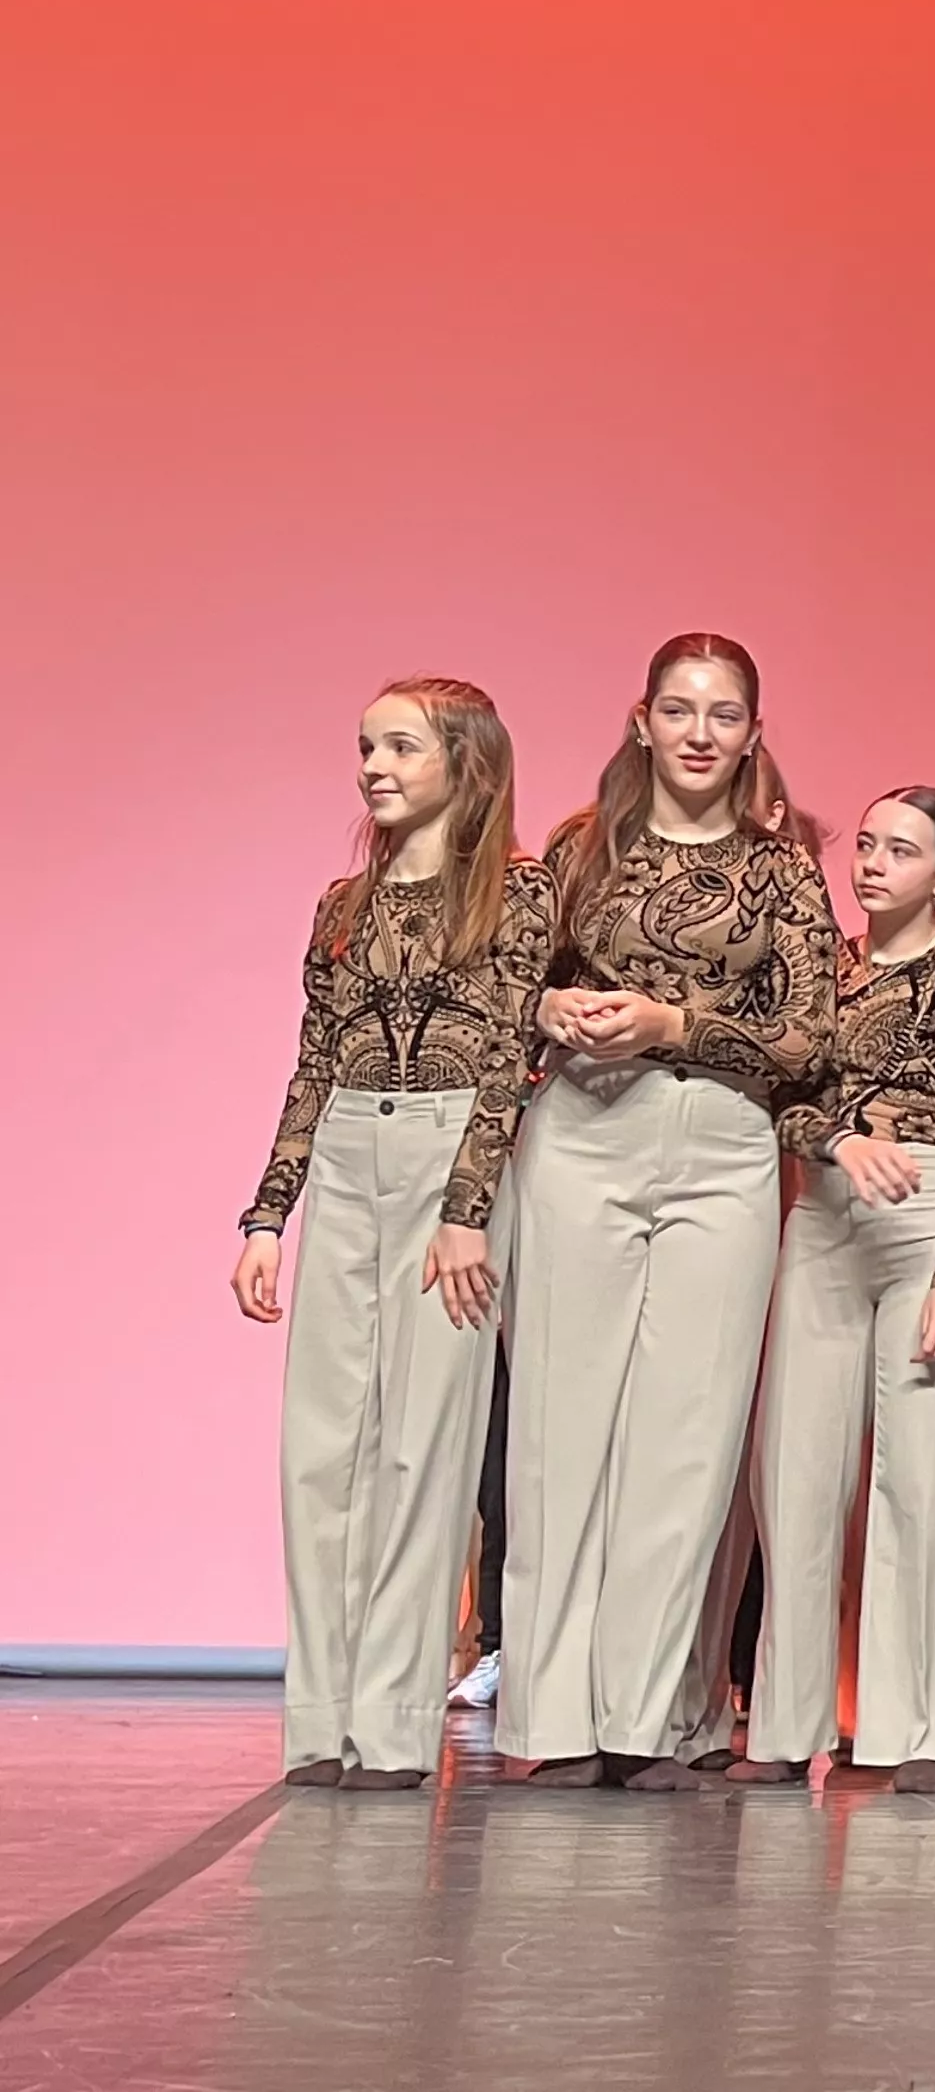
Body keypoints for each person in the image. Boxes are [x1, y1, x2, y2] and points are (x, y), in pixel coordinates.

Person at [502, 635, 838, 1789]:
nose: (701, 732)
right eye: (680, 709)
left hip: (722, 1145)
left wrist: (672, 1024)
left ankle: (643, 1717)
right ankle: (551, 1713)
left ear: (754, 730)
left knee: (685, 1438)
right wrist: (560, 1011)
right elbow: (510, 993)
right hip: (582, 1135)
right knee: (561, 1429)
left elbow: (810, 1036)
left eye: (726, 712)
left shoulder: (781, 868)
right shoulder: (575, 851)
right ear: (639, 719)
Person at [236, 678, 551, 1790]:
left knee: (426, 1444)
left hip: (448, 1155)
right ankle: (319, 1716)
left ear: (463, 763)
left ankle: (396, 1720)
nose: (373, 763)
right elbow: (313, 1062)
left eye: (401, 746)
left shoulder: (517, 895)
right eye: (366, 744)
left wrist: (468, 1209)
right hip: (349, 1154)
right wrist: (271, 1213)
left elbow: (512, 1058)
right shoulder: (342, 903)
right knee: (324, 1444)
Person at [728, 790, 935, 1792]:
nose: (874, 862)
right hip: (824, 1211)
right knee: (796, 1472)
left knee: (920, 1478)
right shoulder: (822, 968)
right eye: (871, 843)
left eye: (903, 849)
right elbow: (778, 1095)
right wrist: (836, 1137)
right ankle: (784, 1722)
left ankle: (921, 1725)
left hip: (924, 1216)